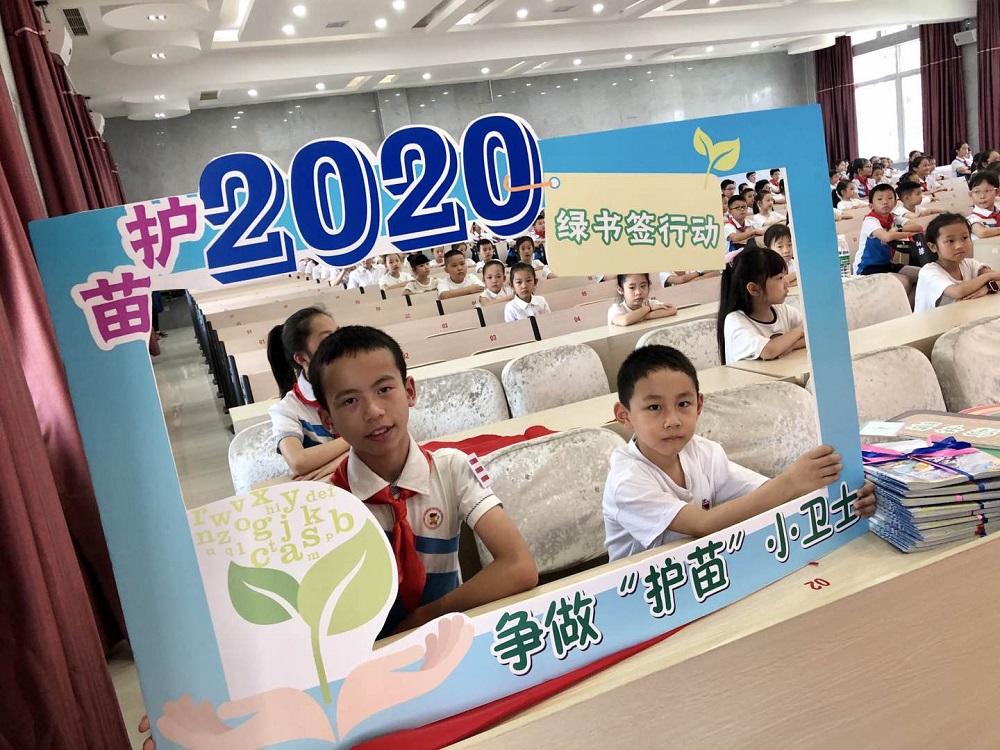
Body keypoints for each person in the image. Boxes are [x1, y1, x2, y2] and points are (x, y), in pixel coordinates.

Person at [307, 326, 537, 635]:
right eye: (349, 401)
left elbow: (519, 566)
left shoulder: (450, 468)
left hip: (449, 637)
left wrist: (428, 617)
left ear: (410, 392)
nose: (373, 411)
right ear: (328, 421)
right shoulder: (325, 505)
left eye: (384, 389)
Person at [602, 345, 875, 561]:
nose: (672, 420)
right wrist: (792, 481)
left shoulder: (703, 452)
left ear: (699, 405)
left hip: (701, 568)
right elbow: (704, 524)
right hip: (643, 594)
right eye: (654, 408)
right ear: (624, 415)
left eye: (683, 404)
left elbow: (766, 494)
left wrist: (847, 497)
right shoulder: (627, 481)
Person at [266, 307, 349, 479]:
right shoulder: (286, 409)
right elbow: (298, 462)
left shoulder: (363, 382)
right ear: (302, 358)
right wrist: (356, 440)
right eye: (327, 339)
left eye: (339, 334)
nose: (339, 343)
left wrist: (345, 458)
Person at [717, 246, 803, 365]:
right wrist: (801, 330)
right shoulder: (735, 321)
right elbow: (769, 350)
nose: (787, 283)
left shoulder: (782, 310)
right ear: (754, 289)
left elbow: (814, 334)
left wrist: (792, 346)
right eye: (780, 278)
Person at [914, 213, 1000, 313]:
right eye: (950, 241)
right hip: (931, 322)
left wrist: (987, 287)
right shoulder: (928, 272)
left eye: (965, 238)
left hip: (961, 317)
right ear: (933, 247)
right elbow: (958, 291)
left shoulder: (969, 264)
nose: (959, 245)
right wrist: (988, 277)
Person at [853, 184, 920, 297]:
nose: (885, 202)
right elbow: (886, 237)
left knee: (923, 275)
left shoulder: (893, 218)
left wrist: (898, 228)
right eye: (879, 199)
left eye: (889, 198)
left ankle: (911, 306)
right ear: (871, 205)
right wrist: (908, 233)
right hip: (867, 268)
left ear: (895, 203)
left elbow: (918, 227)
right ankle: (899, 308)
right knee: (904, 281)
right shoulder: (870, 221)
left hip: (887, 264)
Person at [607, 273, 678, 327]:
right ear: (620, 290)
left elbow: (672, 309)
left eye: (643, 286)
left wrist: (642, 317)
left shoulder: (650, 303)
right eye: (632, 288)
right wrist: (648, 308)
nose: (638, 292)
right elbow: (625, 320)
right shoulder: (616, 309)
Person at [723, 195, 763, 260]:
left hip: (747, 255)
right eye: (737, 208)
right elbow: (735, 238)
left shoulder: (750, 222)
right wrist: (753, 232)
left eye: (744, 207)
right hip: (731, 259)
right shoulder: (728, 226)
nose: (742, 209)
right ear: (730, 211)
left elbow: (762, 232)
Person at [967, 172, 1000, 240]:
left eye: (987, 191)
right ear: (970, 194)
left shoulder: (998, 211)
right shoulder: (972, 218)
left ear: (997, 192)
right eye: (977, 192)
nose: (982, 196)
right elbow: (982, 232)